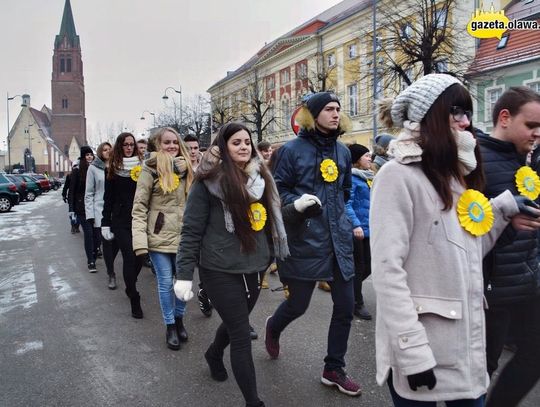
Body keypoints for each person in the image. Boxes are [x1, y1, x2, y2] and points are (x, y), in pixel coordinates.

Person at [371, 73, 540, 406]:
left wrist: (503, 209)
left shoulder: (455, 174)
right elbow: (388, 273)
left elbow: (468, 248)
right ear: (430, 115)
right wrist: (412, 352)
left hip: (463, 345)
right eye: (456, 112)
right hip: (422, 347)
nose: (466, 122)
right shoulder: (398, 175)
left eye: (468, 112)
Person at [174, 122, 289, 407]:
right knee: (240, 333)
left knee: (233, 322)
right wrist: (184, 275)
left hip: (255, 265)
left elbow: (270, 220)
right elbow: (191, 231)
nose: (244, 147)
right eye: (236, 142)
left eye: (247, 142)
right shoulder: (207, 181)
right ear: (223, 147)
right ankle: (253, 402)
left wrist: (296, 212)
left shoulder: (261, 178)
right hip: (219, 269)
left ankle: (213, 353)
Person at [264, 91, 362, 397]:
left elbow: (345, 191)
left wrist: (344, 222)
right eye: (329, 109)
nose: (336, 114)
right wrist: (300, 204)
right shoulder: (291, 151)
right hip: (304, 238)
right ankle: (274, 327)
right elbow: (277, 192)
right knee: (298, 304)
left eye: (338, 109)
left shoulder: (343, 152)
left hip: (338, 241)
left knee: (345, 307)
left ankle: (333, 368)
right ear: (313, 114)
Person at [476, 86, 540, 407]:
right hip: (491, 290)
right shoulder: (475, 161)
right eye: (531, 126)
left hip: (528, 280)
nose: (537, 134)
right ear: (504, 118)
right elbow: (467, 230)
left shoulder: (526, 162)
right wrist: (505, 222)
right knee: (481, 371)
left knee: (534, 355)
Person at [132, 127, 194, 350]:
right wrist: (140, 244)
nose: (172, 146)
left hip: (184, 237)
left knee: (183, 283)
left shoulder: (188, 169)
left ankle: (179, 319)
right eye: (167, 143)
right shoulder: (149, 170)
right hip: (158, 237)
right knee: (166, 283)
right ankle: (170, 326)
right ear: (157, 145)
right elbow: (139, 207)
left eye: (175, 143)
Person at [101, 132, 144, 318]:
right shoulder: (112, 168)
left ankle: (130, 283)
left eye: (131, 145)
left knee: (141, 256)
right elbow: (108, 198)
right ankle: (134, 297)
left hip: (140, 218)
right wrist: (105, 223)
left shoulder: (143, 167)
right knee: (129, 256)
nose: (129, 148)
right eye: (125, 145)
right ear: (120, 146)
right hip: (120, 220)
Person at [345, 143, 373, 320]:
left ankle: (349, 291)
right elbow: (347, 203)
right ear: (356, 160)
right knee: (360, 265)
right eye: (366, 156)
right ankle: (357, 303)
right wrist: (355, 225)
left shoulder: (367, 177)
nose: (370, 158)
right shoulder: (352, 178)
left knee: (369, 266)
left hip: (369, 229)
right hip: (357, 230)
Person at [85, 142, 119, 289]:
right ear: (100, 152)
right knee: (106, 243)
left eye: (109, 149)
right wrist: (90, 215)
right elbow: (89, 193)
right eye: (104, 150)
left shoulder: (118, 166)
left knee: (117, 242)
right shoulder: (93, 168)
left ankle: (110, 263)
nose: (107, 151)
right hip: (100, 210)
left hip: (117, 210)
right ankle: (111, 274)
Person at [68, 146, 101, 272]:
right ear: (83, 157)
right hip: (82, 208)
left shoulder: (97, 169)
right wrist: (71, 209)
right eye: (86, 155)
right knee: (88, 234)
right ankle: (91, 261)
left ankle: (95, 253)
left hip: (96, 206)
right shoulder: (77, 171)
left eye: (91, 155)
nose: (89, 157)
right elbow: (72, 191)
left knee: (98, 236)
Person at [63, 162, 80, 233]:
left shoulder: (80, 175)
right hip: (72, 197)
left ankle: (76, 226)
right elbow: (65, 187)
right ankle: (73, 226)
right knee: (73, 213)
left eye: (76, 166)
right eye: (74, 166)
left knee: (78, 213)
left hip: (78, 198)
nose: (75, 168)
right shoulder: (69, 176)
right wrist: (64, 195)